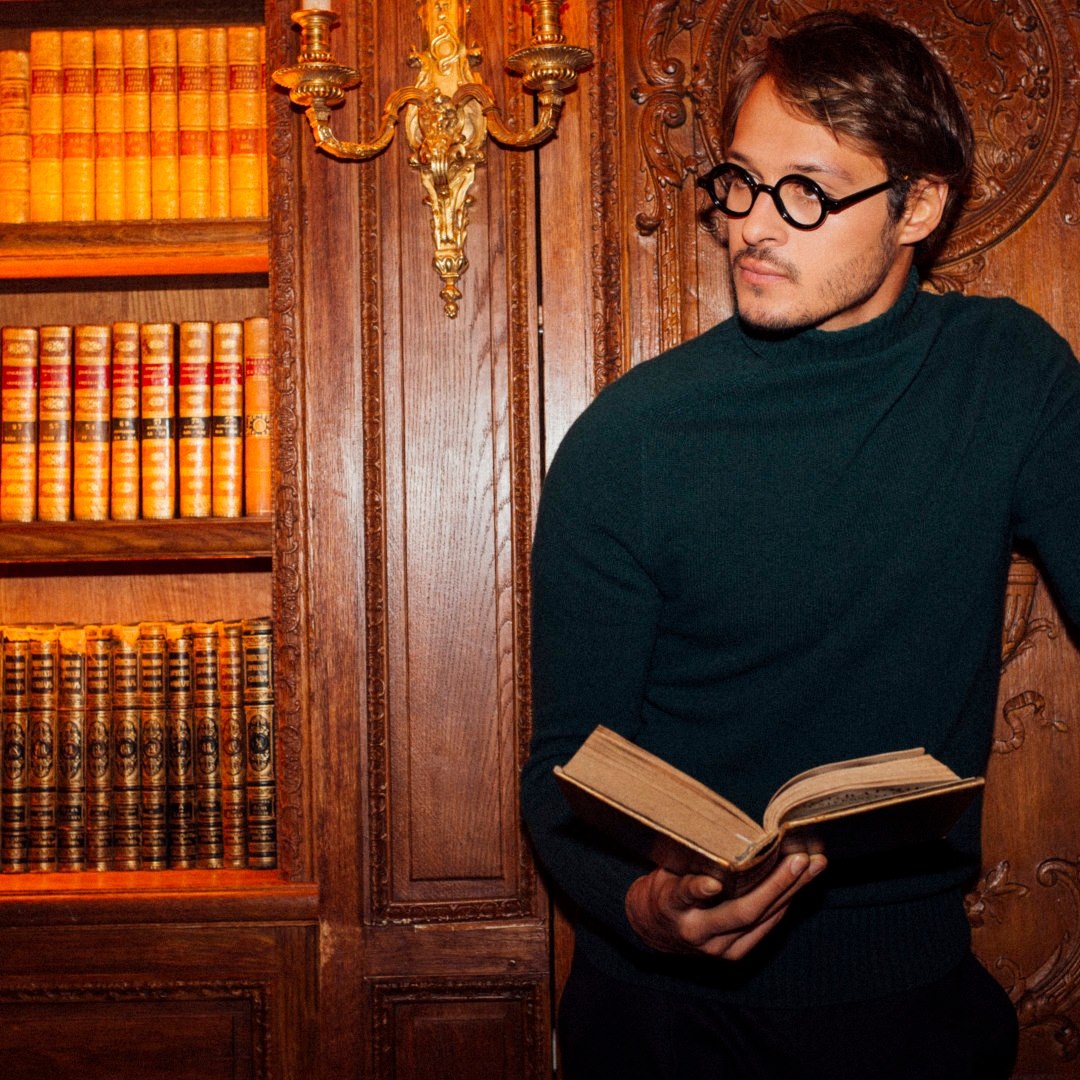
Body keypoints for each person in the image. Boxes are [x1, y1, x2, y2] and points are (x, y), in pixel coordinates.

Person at [520, 9, 1080, 1079]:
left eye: (808, 193)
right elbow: (561, 773)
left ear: (919, 205)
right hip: (658, 1020)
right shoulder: (632, 435)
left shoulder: (1008, 378)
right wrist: (642, 906)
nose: (753, 227)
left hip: (910, 1010)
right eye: (737, 183)